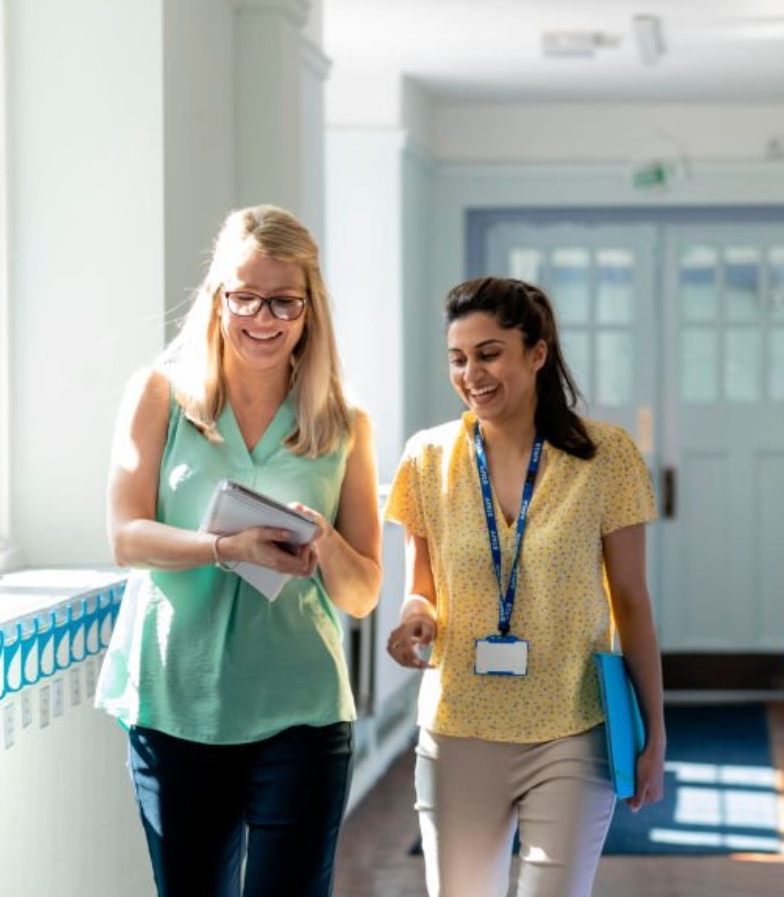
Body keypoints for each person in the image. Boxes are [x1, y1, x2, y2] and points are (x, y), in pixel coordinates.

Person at [95, 205, 382, 897]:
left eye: (284, 300)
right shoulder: (158, 395)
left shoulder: (344, 423)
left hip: (300, 707)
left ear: (310, 308)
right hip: (176, 702)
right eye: (245, 297)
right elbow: (125, 537)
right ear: (217, 298)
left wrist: (325, 540)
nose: (264, 317)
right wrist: (226, 546)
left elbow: (362, 592)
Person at [384, 276, 664, 897]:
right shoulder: (427, 458)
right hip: (458, 729)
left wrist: (655, 734)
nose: (471, 374)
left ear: (536, 353)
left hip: (571, 726)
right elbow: (419, 589)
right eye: (458, 358)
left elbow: (633, 604)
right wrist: (414, 621)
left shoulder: (606, 457)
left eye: (489, 353)